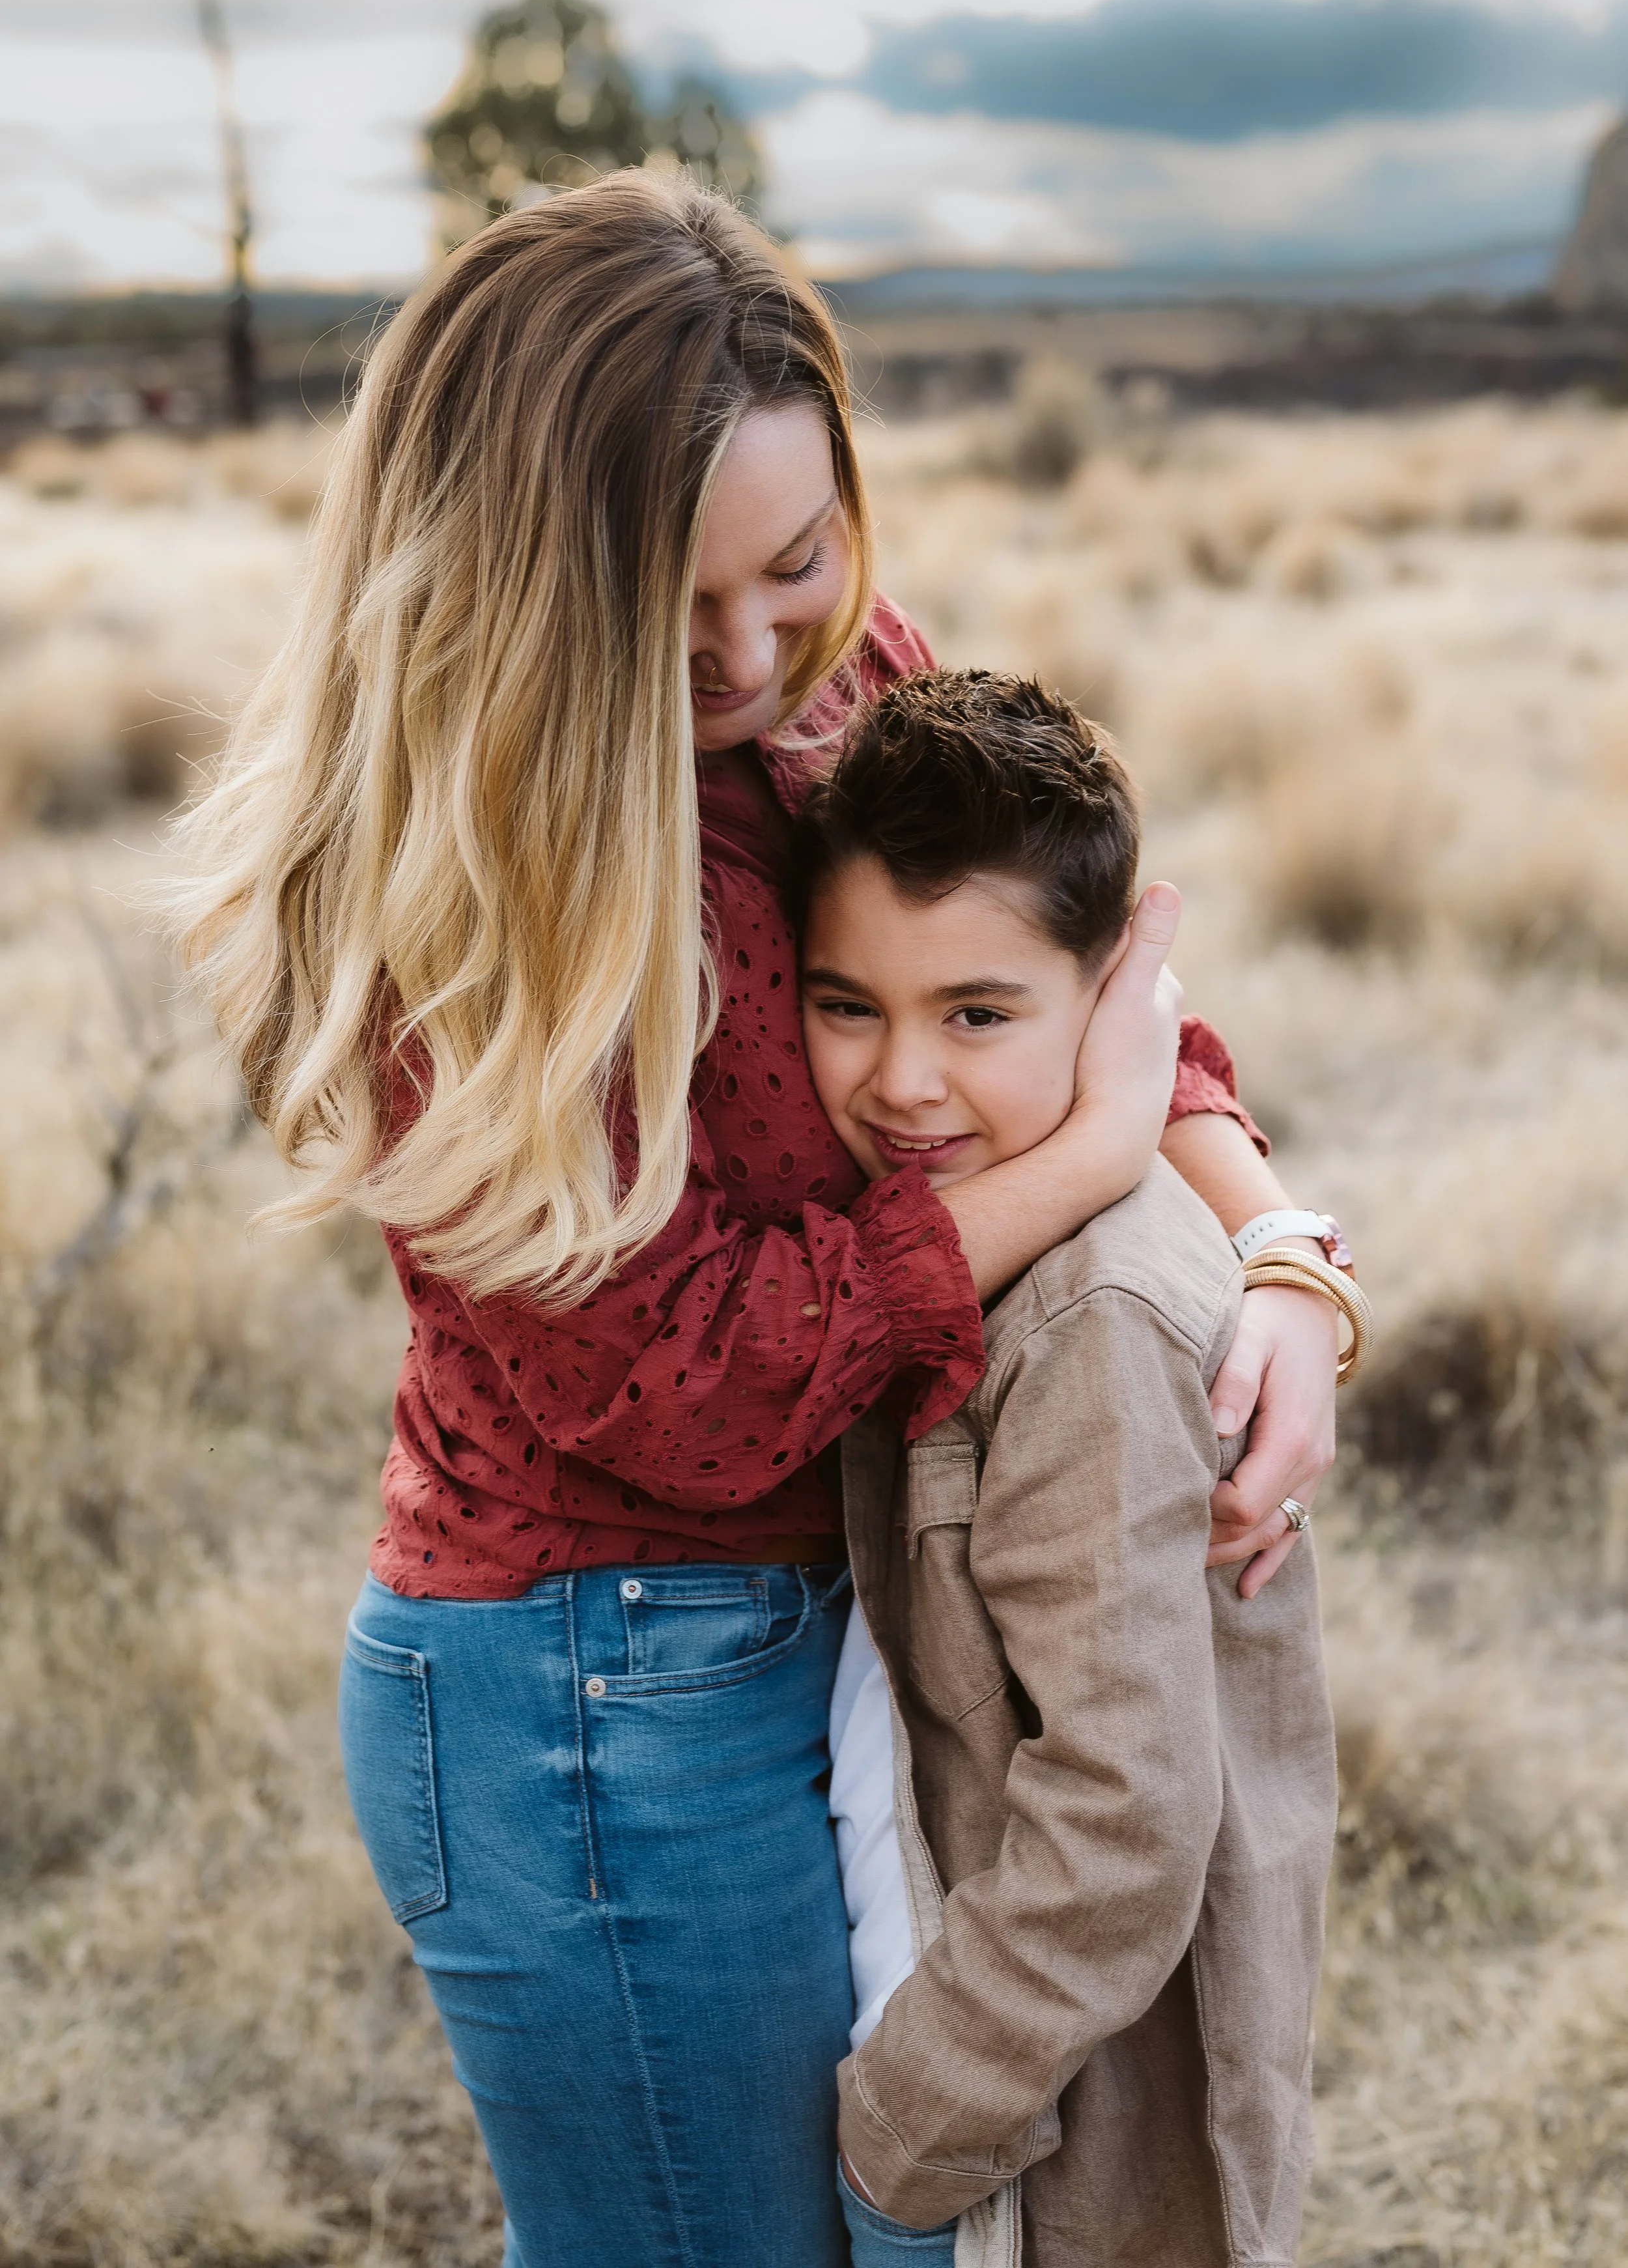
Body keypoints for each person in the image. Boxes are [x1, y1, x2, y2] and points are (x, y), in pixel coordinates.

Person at [171, 173, 1338, 2268]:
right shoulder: (457, 890)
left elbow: (1068, 982)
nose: (749, 653)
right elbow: (687, 1386)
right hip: (594, 1692)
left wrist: (1276, 1254)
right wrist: (1072, 1175)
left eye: (794, 564)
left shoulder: (821, 688)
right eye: (668, 602)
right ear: (523, 584)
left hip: (842, 1625)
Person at [791, 669, 1349, 2267]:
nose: (902, 1081)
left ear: (1115, 1002)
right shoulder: (974, 1240)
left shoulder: (1083, 1317)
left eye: (975, 1013)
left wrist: (905, 2123)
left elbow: (1123, 1814)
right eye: (848, 1005)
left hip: (1027, 2149)